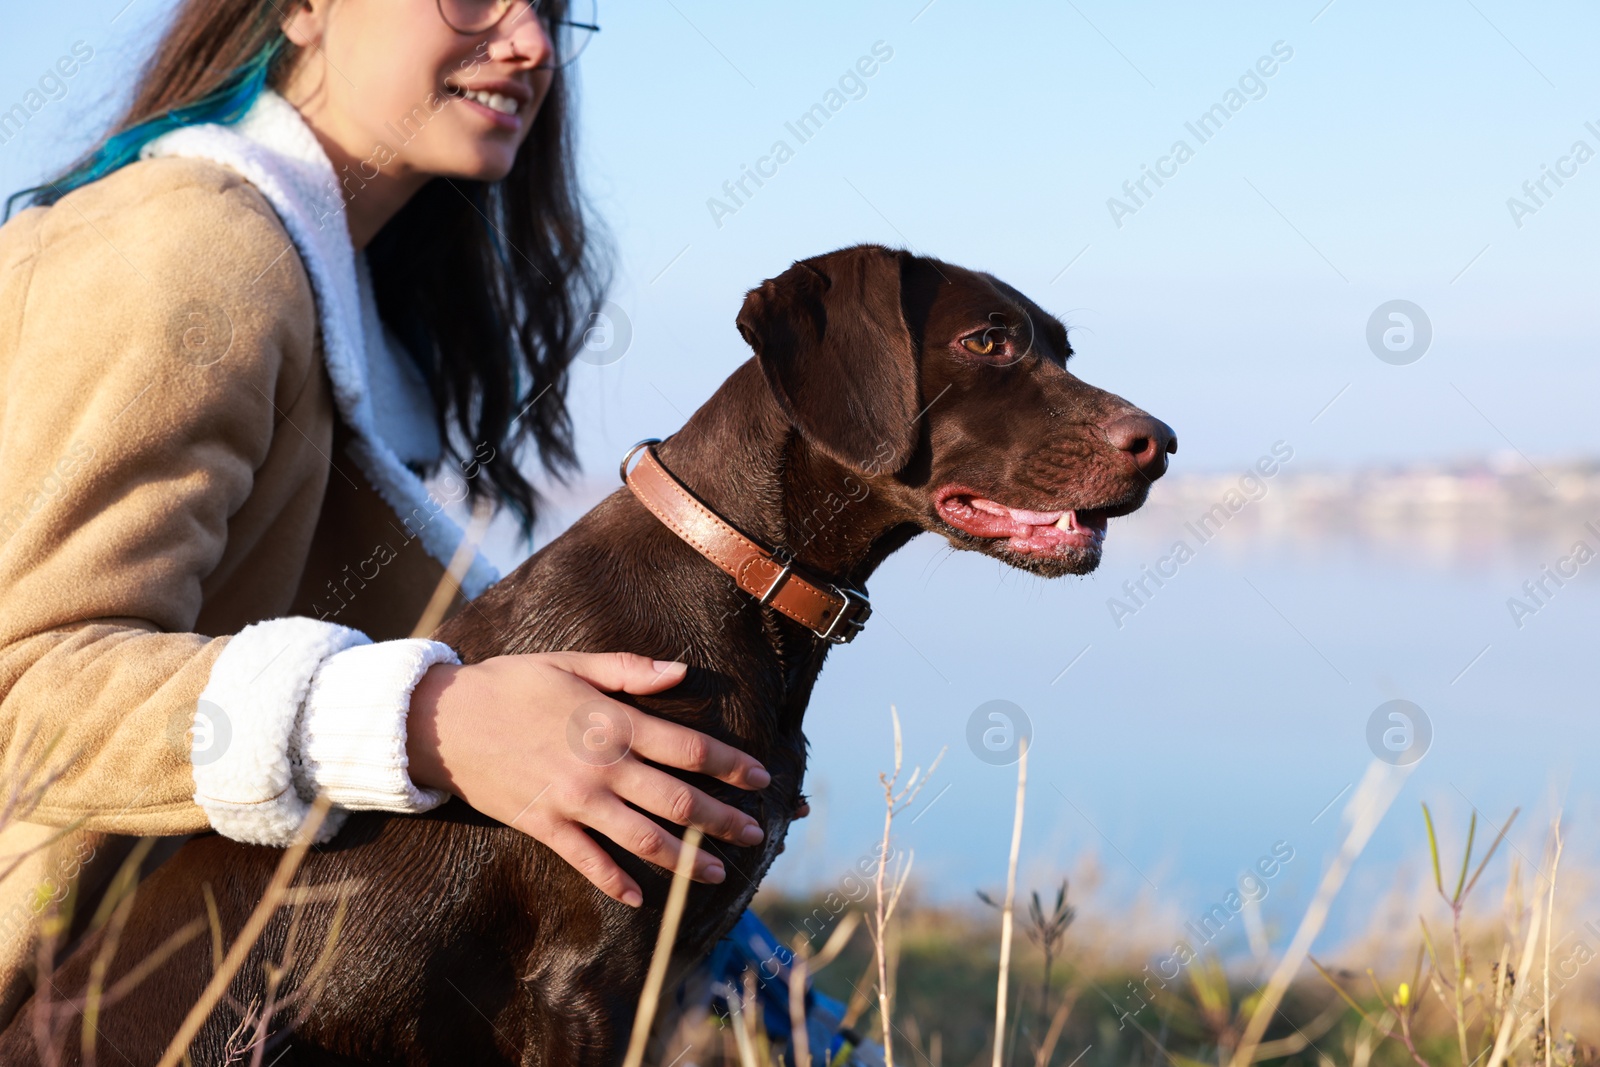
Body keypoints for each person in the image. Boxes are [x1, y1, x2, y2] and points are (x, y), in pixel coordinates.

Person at [0, 0, 773, 1025]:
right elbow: (28, 694)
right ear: (302, 8)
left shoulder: (341, 290)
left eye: (547, 7)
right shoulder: (188, 246)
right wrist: (427, 719)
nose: (532, 43)